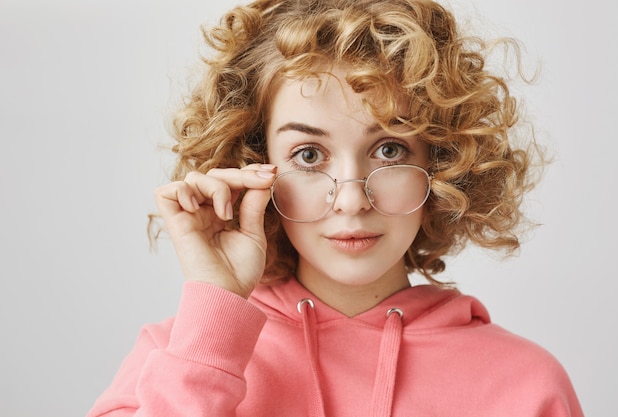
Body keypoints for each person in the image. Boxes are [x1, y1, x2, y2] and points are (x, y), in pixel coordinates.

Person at [87, 0, 584, 415]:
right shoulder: (177, 357)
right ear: (256, 167)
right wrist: (212, 323)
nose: (350, 199)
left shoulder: (526, 385)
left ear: (444, 162)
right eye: (308, 155)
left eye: (389, 150)